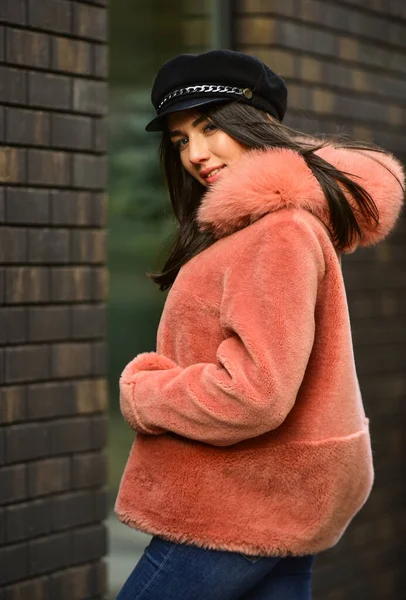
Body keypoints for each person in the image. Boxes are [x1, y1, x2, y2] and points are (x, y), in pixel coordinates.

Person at [114, 50, 405, 599]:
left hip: (233, 500)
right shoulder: (267, 227)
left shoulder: (277, 230)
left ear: (257, 122)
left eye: (209, 127)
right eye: (180, 140)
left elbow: (255, 393)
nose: (196, 154)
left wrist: (144, 393)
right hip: (274, 496)